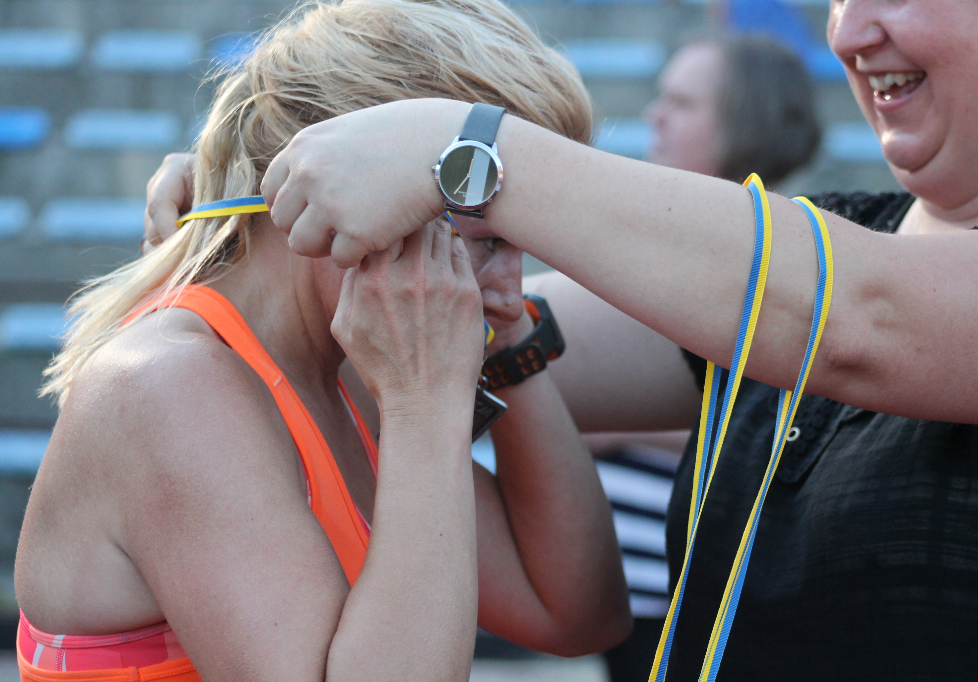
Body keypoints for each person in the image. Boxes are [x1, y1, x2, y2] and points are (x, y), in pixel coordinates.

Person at [207, 0, 978, 678]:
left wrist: (466, 148)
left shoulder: (823, 287)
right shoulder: (821, 250)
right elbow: (424, 330)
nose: (848, 31)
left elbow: (856, 318)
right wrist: (243, 239)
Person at [12, 2, 633, 681]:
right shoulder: (170, 386)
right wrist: (424, 405)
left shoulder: (341, 372)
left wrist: (507, 337)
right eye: (488, 243)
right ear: (341, 186)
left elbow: (574, 614)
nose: (514, 291)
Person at [583, 33, 820, 682]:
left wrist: (621, 420)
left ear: (748, 121)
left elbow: (798, 420)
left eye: (683, 103)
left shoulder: (783, 257)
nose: (655, 115)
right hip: (629, 581)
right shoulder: (665, 246)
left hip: (689, 584)